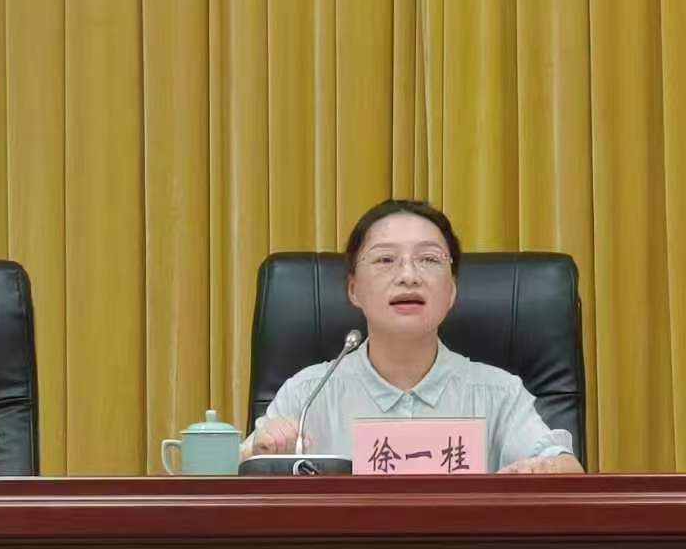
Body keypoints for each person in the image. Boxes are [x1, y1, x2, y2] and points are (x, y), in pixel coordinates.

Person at [240, 199, 584, 474]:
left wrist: (546, 470)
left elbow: (565, 467)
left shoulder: (499, 395)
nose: (408, 275)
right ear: (353, 289)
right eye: (385, 259)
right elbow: (238, 472)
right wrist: (260, 455)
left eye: (429, 259)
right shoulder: (308, 395)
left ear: (452, 290)